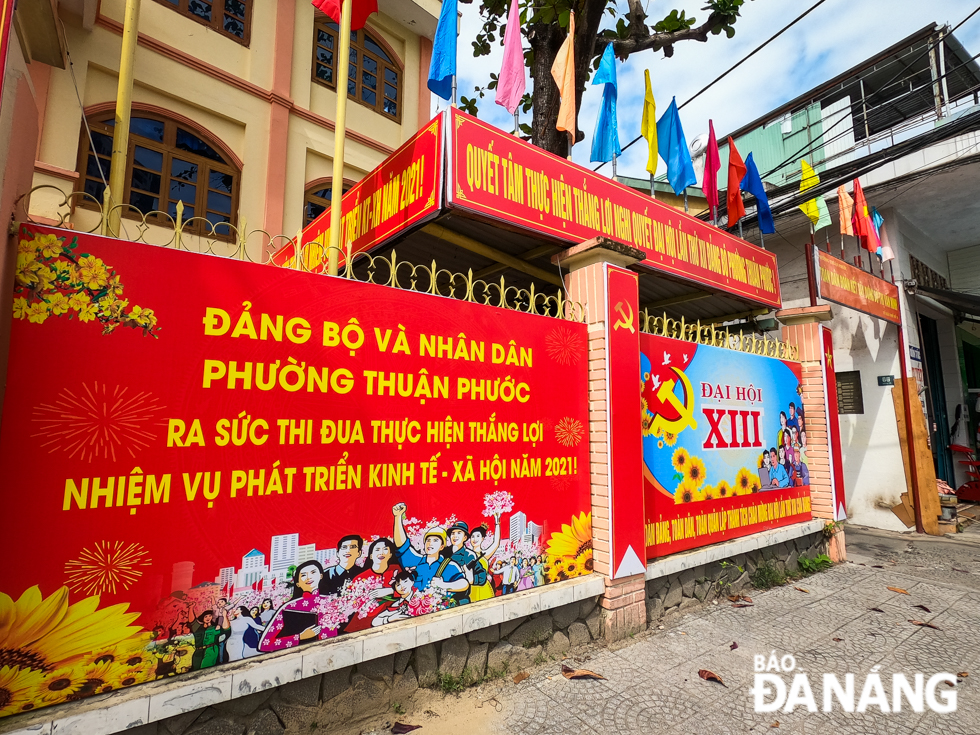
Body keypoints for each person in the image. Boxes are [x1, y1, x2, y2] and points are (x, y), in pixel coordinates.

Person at [392, 503, 468, 595]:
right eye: (428, 540)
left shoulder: (449, 565)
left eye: (435, 540)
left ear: (442, 546)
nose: (430, 543)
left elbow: (464, 584)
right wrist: (397, 517)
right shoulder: (416, 560)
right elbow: (402, 545)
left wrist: (443, 585)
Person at [258, 561, 335, 652]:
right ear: (298, 583)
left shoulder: (333, 602)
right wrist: (300, 637)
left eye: (313, 572)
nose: (308, 577)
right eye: (303, 575)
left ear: (321, 576)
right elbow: (265, 644)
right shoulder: (288, 608)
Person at [467, 519, 501, 602]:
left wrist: (497, 523)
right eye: (473, 536)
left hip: (483, 587)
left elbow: (496, 543)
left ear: (482, 538)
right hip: (471, 588)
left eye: (478, 536)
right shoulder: (467, 554)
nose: (475, 539)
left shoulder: (484, 554)